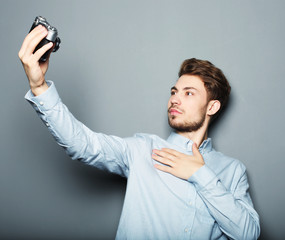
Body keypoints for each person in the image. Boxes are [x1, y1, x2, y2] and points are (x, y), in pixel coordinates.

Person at [19, 25, 260, 240]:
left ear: (212, 106)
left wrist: (201, 174)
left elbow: (247, 234)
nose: (174, 99)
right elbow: (82, 145)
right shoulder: (142, 149)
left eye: (188, 93)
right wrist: (39, 86)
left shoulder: (233, 171)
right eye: (174, 91)